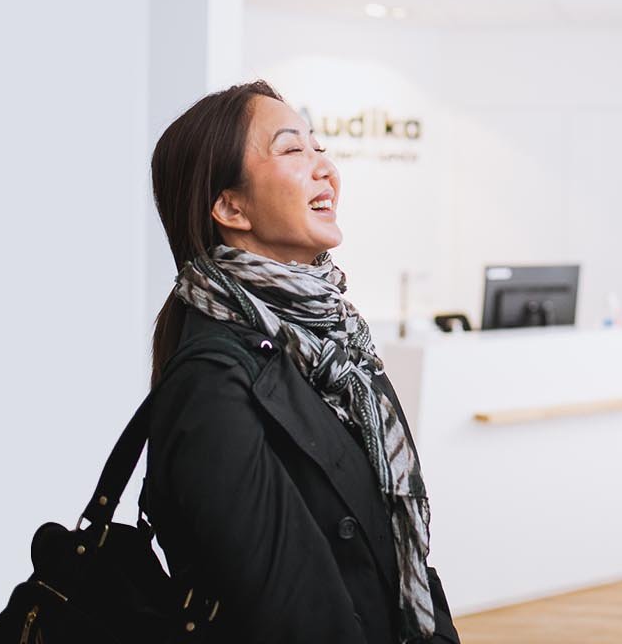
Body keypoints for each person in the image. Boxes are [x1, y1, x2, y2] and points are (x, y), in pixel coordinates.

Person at [140, 80, 460, 643]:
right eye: (293, 150)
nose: (325, 169)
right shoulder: (210, 380)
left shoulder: (338, 346)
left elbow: (394, 555)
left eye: (319, 147)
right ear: (230, 206)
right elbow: (293, 614)